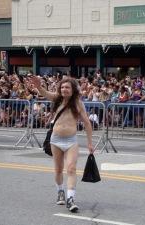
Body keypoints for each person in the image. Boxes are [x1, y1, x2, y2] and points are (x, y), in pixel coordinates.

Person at [30, 76, 94, 213]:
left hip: (71, 141)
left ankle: (71, 199)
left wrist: (90, 143)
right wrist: (39, 86)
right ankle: (60, 192)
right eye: (63, 87)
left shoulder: (78, 103)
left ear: (73, 90)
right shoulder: (57, 99)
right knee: (58, 170)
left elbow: (87, 124)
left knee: (71, 169)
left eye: (67, 87)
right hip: (56, 140)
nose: (64, 89)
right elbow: (45, 93)